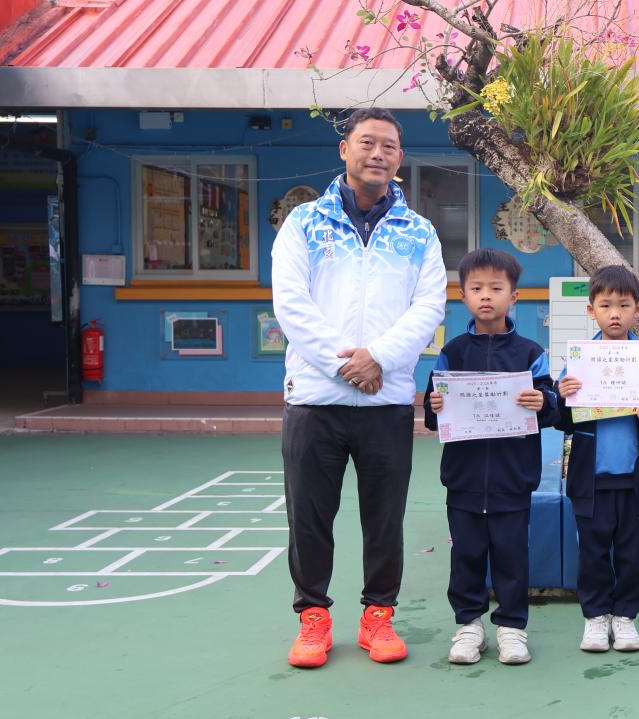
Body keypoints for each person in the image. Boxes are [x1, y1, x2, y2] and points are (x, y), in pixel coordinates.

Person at [271, 107, 447, 668]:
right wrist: (347, 364)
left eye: (389, 146)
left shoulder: (419, 232)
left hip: (385, 400)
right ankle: (313, 618)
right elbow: (290, 303)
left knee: (385, 517)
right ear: (344, 149)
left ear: (400, 159)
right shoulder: (303, 223)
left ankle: (378, 617)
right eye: (367, 143)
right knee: (309, 516)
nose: (378, 154)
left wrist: (381, 360)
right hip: (314, 399)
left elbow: (429, 306)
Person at [422, 249, 559, 665]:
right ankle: (469, 626)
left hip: (512, 478)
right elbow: (432, 413)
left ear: (513, 296)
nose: (486, 296)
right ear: (462, 296)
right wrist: (435, 405)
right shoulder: (453, 352)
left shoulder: (530, 353)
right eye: (476, 288)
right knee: (465, 554)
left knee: (511, 555)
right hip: (462, 479)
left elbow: (552, 406)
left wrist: (542, 401)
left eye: (496, 288)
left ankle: (512, 628)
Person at [555, 265, 639, 653]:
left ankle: (626, 617)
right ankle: (596, 618)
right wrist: (562, 396)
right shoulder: (579, 363)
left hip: (637, 482)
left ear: (637, 309)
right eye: (606, 305)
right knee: (592, 553)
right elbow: (560, 419)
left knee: (634, 554)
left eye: (624, 305)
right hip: (591, 481)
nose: (615, 314)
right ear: (590, 309)